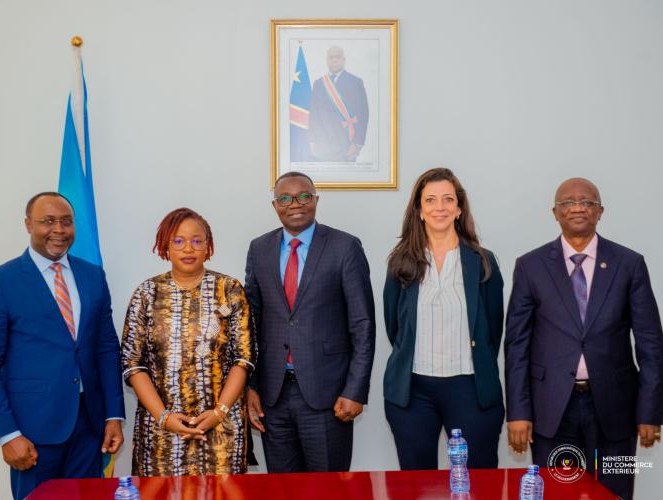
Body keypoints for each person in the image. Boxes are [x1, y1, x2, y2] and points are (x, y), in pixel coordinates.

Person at [504, 177, 663, 500]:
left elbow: (650, 343)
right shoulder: (531, 266)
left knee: (616, 493)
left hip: (617, 409)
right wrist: (518, 412)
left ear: (600, 211)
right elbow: (517, 345)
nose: (578, 208)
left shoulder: (629, 264)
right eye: (568, 202)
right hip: (551, 410)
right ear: (555, 212)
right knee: (556, 494)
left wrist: (649, 412)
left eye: (587, 202)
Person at [0, 192, 125, 500]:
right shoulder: (0, 282)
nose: (59, 229)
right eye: (48, 221)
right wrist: (7, 434)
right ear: (28, 224)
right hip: (32, 432)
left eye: (66, 221)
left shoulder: (93, 276)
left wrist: (113, 415)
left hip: (89, 425)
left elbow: (106, 348)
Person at [245, 171, 375, 472]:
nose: (295, 204)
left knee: (329, 488)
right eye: (285, 198)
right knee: (282, 489)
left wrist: (355, 390)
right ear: (275, 205)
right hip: (273, 396)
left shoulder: (344, 246)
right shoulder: (259, 249)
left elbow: (362, 324)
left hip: (328, 395)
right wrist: (250, 386)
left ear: (316, 200)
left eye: (304, 196)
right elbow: (251, 322)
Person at [383, 168, 505, 470]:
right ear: (419, 210)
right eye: (431, 200)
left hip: (470, 388)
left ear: (459, 208)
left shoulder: (483, 261)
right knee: (416, 483)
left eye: (448, 199)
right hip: (412, 392)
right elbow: (394, 327)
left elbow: (493, 328)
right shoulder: (401, 262)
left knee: (477, 481)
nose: (440, 207)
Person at [121, 208, 254, 476]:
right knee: (162, 494)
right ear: (166, 246)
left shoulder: (229, 290)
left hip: (222, 429)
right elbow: (133, 364)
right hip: (160, 432)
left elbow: (244, 358)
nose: (188, 248)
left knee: (223, 494)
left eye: (196, 240)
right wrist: (164, 417)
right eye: (178, 241)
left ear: (208, 245)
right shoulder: (147, 293)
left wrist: (219, 413)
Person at [308, 46, 369, 162]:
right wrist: (312, 140)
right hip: (323, 144)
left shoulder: (355, 82)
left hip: (347, 145)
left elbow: (363, 114)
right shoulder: (318, 84)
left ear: (343, 60)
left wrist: (357, 144)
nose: (334, 60)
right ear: (327, 60)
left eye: (337, 57)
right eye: (331, 57)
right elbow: (313, 115)